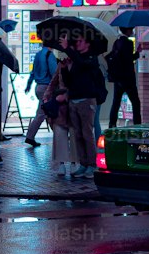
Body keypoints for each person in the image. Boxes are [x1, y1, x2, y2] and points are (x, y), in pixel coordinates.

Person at [62, 32, 103, 176]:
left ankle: (92, 164)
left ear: (87, 43)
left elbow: (83, 63)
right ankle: (83, 164)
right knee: (77, 134)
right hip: (74, 100)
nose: (77, 44)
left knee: (87, 133)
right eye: (76, 42)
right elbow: (69, 82)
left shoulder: (92, 58)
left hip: (87, 100)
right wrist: (65, 69)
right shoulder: (76, 60)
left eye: (80, 41)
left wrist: (69, 50)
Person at [44, 38, 76, 178]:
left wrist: (67, 96)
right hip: (61, 106)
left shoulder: (79, 64)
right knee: (59, 133)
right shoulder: (61, 64)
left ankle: (76, 162)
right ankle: (62, 163)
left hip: (74, 104)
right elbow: (53, 81)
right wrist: (47, 95)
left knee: (75, 134)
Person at [23, 41, 59, 146]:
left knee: (46, 112)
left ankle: (31, 136)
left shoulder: (38, 55)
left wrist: (28, 85)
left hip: (38, 87)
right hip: (47, 88)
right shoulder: (49, 55)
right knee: (44, 113)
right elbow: (54, 73)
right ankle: (30, 137)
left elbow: (33, 72)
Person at [107, 28, 141, 127]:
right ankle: (137, 124)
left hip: (117, 78)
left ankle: (112, 124)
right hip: (128, 78)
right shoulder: (128, 43)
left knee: (116, 102)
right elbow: (129, 60)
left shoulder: (116, 42)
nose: (133, 31)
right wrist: (137, 53)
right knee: (135, 102)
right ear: (128, 31)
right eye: (132, 29)